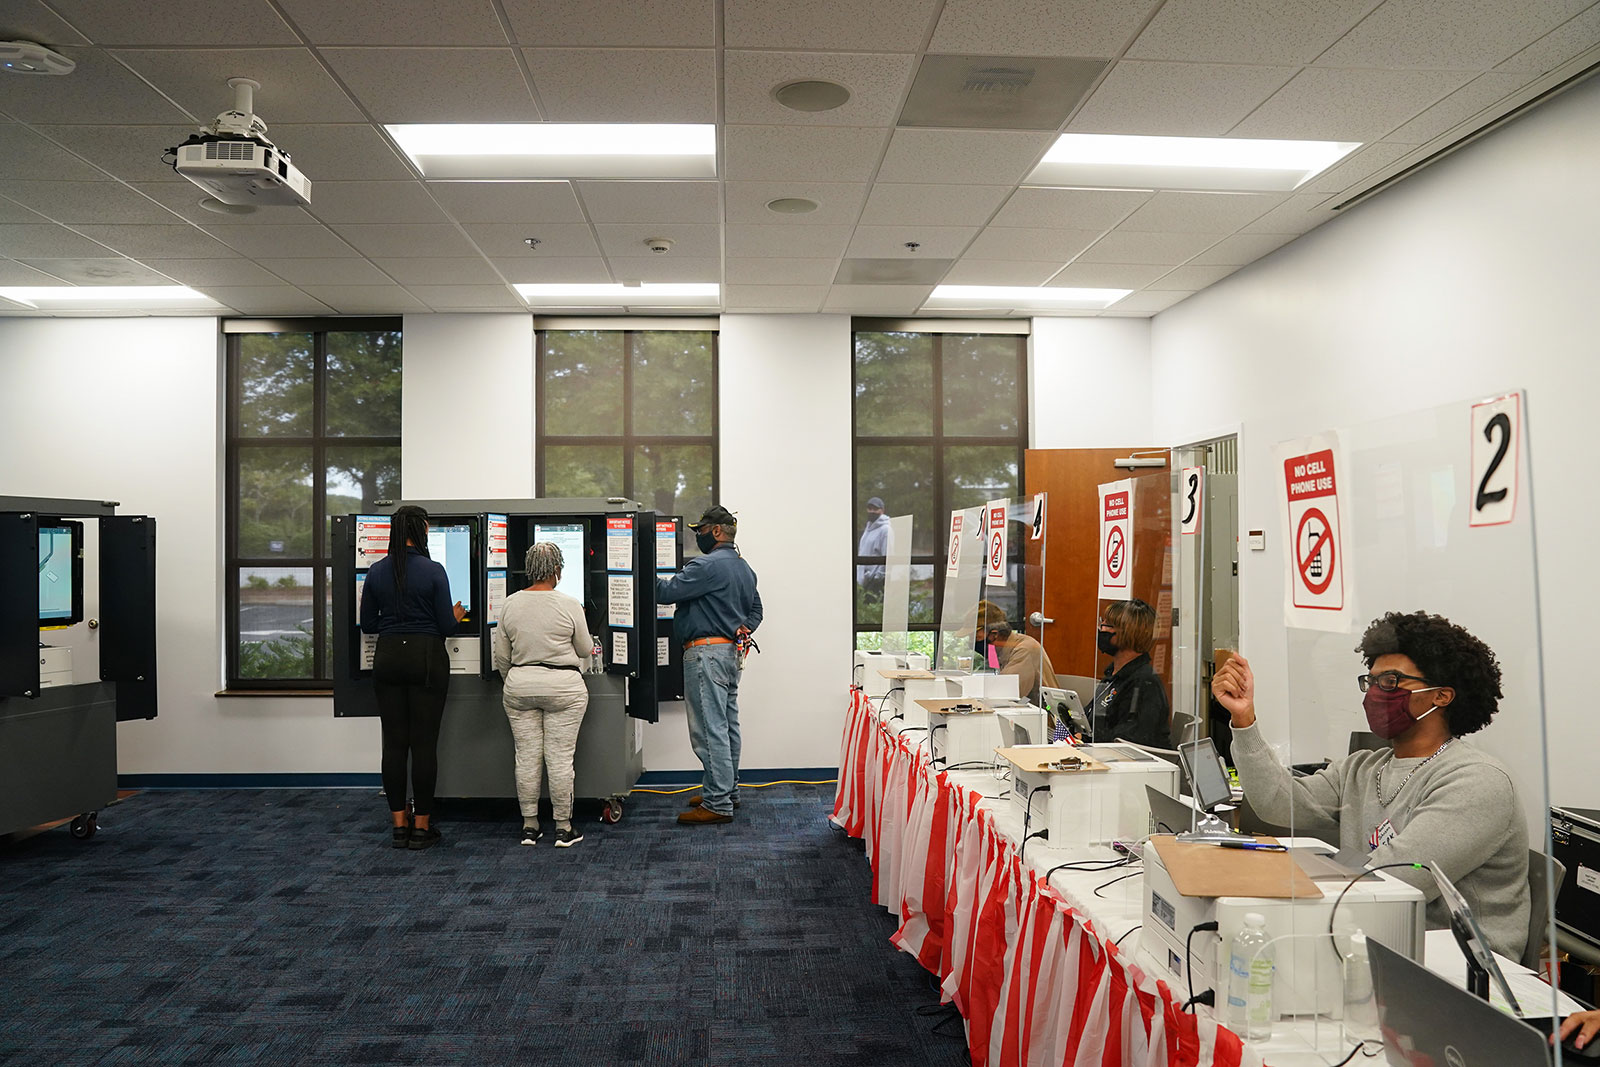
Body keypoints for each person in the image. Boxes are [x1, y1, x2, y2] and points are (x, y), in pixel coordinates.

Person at [1213, 610, 1530, 961]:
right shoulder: (1365, 767)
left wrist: (1333, 862)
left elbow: (1395, 882)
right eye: (1372, 681)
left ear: (1441, 695)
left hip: (1458, 970)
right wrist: (1244, 719)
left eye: (1392, 682)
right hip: (1373, 939)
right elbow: (1278, 802)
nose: (1376, 694)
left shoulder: (1476, 782)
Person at [358, 505, 465, 851]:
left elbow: (369, 624)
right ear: (422, 529)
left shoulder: (376, 571)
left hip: (388, 658)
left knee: (393, 743)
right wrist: (457, 614)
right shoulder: (434, 571)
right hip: (426, 659)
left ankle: (398, 826)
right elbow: (447, 626)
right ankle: (422, 828)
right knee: (423, 744)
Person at [657, 505, 762, 826]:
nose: (698, 536)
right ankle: (726, 791)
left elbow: (666, 592)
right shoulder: (744, 568)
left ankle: (717, 803)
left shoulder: (706, 566)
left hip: (706, 656)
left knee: (708, 730)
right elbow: (757, 610)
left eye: (701, 531)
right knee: (728, 726)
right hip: (730, 655)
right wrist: (745, 626)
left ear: (717, 531)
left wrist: (636, 566)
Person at [493, 541, 593, 848]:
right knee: (560, 758)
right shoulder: (569, 604)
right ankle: (563, 828)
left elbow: (502, 657)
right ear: (557, 570)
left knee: (527, 756)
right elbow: (586, 649)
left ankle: (529, 826)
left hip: (520, 686)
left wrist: (519, 679)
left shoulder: (510, 604)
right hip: (564, 688)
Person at [1094, 598, 1171, 748]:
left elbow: (1129, 738)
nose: (1101, 629)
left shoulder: (1144, 682)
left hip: (1129, 763)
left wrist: (1087, 739)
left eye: (1107, 625)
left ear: (1128, 633)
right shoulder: (1114, 674)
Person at [975, 600, 1058, 704]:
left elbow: (1006, 694)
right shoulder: (1002, 649)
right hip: (1022, 710)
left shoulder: (1024, 650)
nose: (974, 642)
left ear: (994, 634)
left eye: (977, 637)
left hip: (1039, 716)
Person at [856, 496, 891, 596]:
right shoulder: (868, 528)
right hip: (863, 581)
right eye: (870, 508)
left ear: (882, 510)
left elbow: (886, 556)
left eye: (875, 509)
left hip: (874, 583)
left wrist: (877, 578)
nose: (872, 511)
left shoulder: (885, 530)